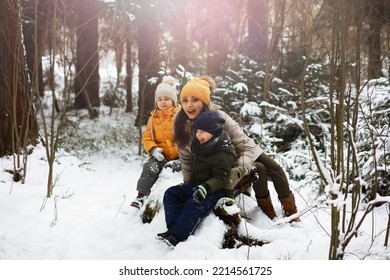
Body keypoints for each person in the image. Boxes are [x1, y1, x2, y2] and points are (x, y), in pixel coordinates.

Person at [170, 76, 300, 222]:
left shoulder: (219, 117)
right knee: (259, 169)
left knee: (275, 169)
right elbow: (186, 159)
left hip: (239, 152)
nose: (189, 105)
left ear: (205, 101)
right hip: (220, 164)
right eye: (185, 100)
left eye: (195, 100)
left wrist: (240, 167)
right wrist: (189, 186)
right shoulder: (181, 126)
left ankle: (292, 215)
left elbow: (242, 143)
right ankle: (268, 214)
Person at [157, 110, 236, 247]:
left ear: (214, 132)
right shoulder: (202, 145)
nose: (198, 135)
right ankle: (173, 227)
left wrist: (206, 187)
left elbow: (221, 177)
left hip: (217, 189)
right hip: (199, 184)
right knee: (171, 193)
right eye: (197, 131)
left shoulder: (223, 152)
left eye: (202, 132)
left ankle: (178, 235)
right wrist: (188, 186)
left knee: (195, 201)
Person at [130, 76, 180, 209]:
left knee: (172, 171)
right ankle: (141, 195)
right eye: (160, 99)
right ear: (156, 101)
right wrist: (153, 150)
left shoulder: (179, 115)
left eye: (167, 99)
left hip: (179, 156)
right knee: (149, 167)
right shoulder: (153, 118)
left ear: (173, 101)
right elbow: (147, 137)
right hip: (161, 156)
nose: (163, 102)